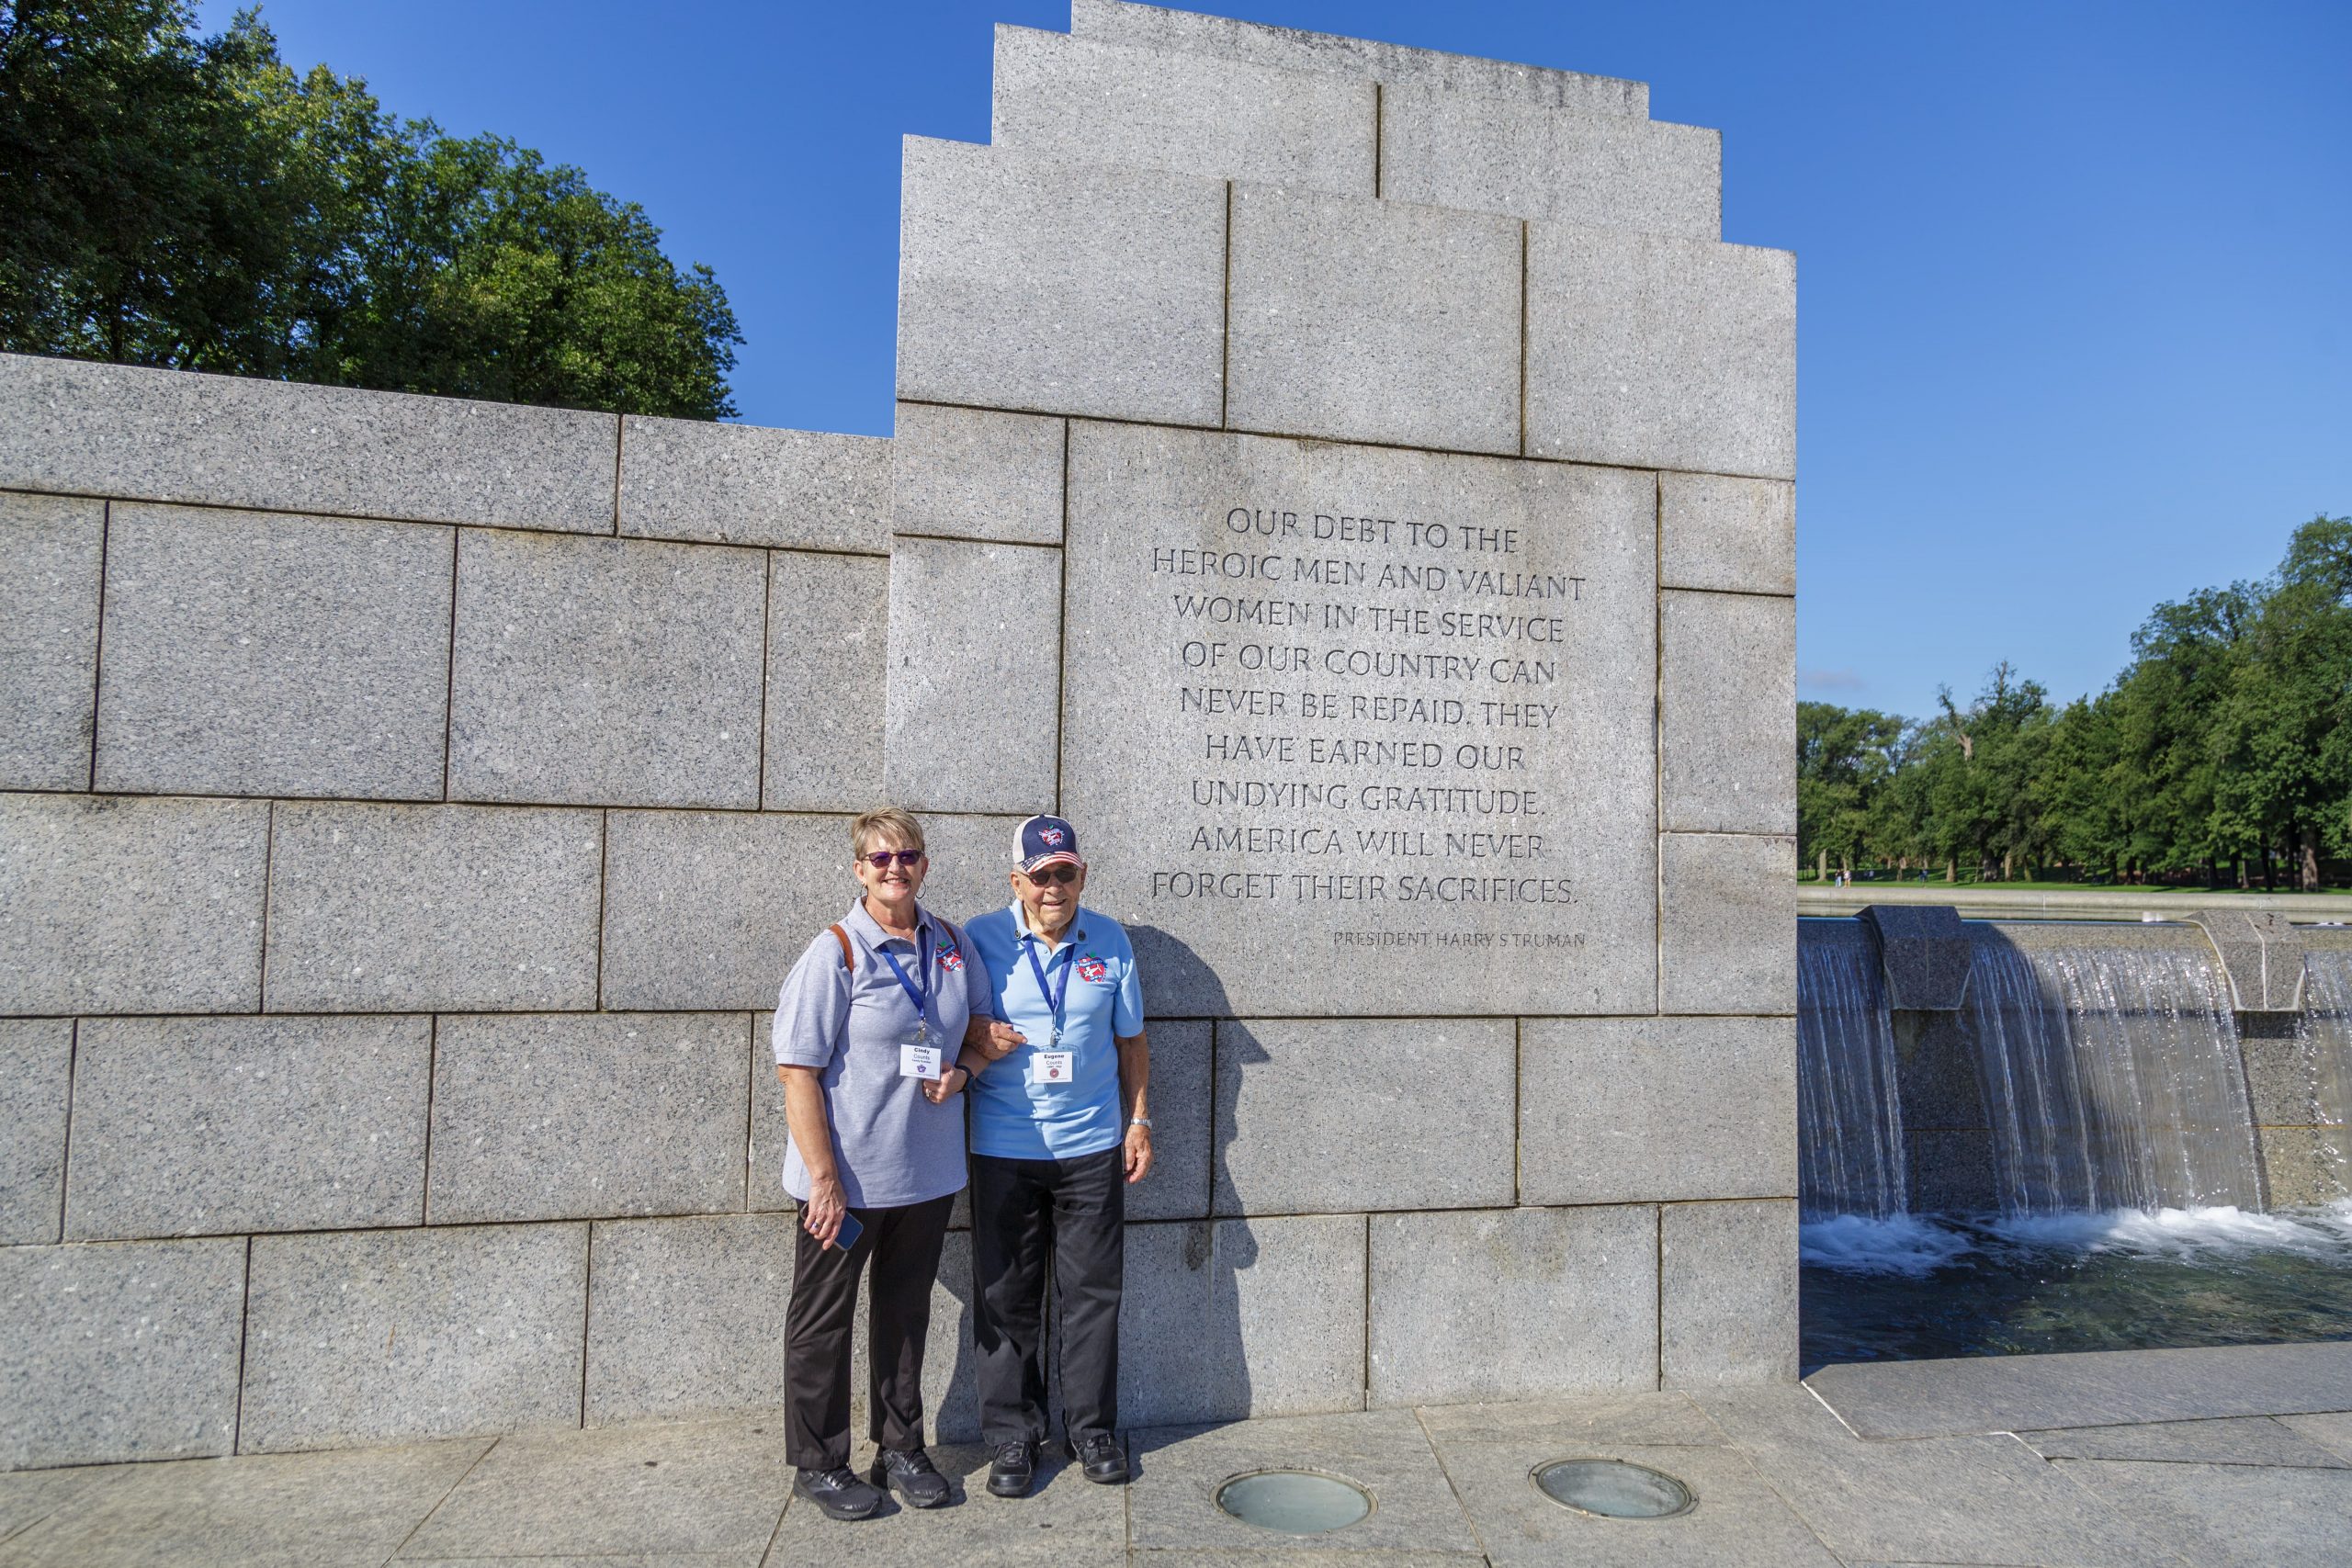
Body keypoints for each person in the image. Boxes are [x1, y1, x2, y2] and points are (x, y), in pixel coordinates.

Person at [774, 807, 988, 1520]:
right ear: (859, 869)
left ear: (925, 865)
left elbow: (979, 1035)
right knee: (823, 1320)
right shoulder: (835, 951)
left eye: (908, 856)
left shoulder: (952, 945)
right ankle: (819, 1461)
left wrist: (962, 1072)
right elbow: (797, 1071)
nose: (894, 868)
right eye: (880, 858)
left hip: (925, 1177)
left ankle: (900, 1445)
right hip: (848, 1187)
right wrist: (824, 1180)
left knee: (904, 1314)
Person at [953, 815, 1152, 1498]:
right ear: (1017, 881)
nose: (1053, 887)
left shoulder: (1112, 941)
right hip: (1003, 1149)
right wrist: (978, 1029)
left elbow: (1132, 1043)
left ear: (1082, 875)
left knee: (1093, 1294)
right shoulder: (976, 939)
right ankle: (1012, 1434)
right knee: (1005, 1295)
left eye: (1065, 872)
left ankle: (1091, 1428)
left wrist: (1139, 1121)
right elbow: (943, 1019)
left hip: (1092, 1147)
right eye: (1040, 876)